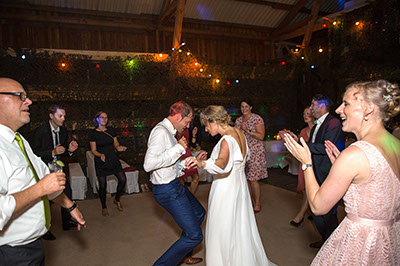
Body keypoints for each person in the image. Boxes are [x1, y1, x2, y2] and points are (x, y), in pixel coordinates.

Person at [284, 79, 400, 265]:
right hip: (388, 239)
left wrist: (306, 162)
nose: (338, 110)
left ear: (368, 109)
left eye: (346, 104)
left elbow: (318, 206)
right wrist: (344, 167)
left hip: (360, 244)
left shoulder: (355, 154)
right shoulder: (396, 145)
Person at [0, 78, 85, 265]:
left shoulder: (18, 140)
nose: (28, 101)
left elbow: (42, 175)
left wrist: (70, 205)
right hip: (11, 253)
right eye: (20, 96)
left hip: (32, 246)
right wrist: (41, 188)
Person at [186, 105, 275, 266]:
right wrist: (211, 158)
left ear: (214, 121)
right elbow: (238, 160)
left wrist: (202, 163)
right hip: (239, 187)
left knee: (221, 229)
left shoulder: (226, 139)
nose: (206, 130)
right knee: (238, 227)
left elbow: (221, 164)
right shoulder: (238, 132)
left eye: (206, 125)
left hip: (225, 189)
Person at [143, 101, 205, 265]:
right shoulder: (160, 132)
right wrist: (178, 149)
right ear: (178, 116)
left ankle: (184, 253)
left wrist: (188, 162)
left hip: (175, 184)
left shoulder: (170, 133)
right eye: (187, 121)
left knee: (199, 213)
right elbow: (149, 165)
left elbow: (169, 166)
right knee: (195, 235)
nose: (188, 125)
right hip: (167, 190)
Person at [303, 94, 346, 248]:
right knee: (316, 210)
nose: (311, 108)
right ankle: (327, 241)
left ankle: (332, 244)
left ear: (322, 106)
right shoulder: (316, 125)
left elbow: (324, 147)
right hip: (316, 171)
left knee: (328, 213)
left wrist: (301, 145)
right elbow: (313, 147)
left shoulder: (333, 123)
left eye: (313, 105)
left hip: (327, 171)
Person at [32, 105, 79, 240]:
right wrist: (52, 152)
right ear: (51, 116)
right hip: (44, 168)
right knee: (46, 199)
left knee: (67, 192)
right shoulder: (40, 131)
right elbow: (34, 153)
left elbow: (64, 152)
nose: (63, 119)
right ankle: (44, 228)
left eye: (64, 116)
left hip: (58, 168)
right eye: (60, 116)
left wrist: (70, 150)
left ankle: (67, 221)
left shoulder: (63, 131)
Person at [279, 107, 315, 227]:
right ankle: (310, 211)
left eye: (308, 113)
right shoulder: (303, 131)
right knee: (305, 189)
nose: (305, 115)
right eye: (304, 113)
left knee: (312, 189)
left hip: (315, 163)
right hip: (303, 163)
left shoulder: (318, 129)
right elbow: (300, 147)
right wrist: (293, 139)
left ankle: (300, 215)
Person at [89, 112, 127, 216]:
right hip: (101, 161)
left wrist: (118, 147)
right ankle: (104, 206)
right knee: (102, 186)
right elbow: (93, 150)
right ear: (97, 119)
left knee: (123, 180)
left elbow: (116, 143)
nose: (104, 119)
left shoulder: (111, 130)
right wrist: (100, 154)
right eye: (102, 117)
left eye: (106, 117)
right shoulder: (93, 133)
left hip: (113, 159)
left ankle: (117, 199)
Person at [235, 99, 267, 213]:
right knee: (245, 179)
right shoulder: (238, 120)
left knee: (253, 179)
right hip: (243, 152)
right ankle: (248, 202)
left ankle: (257, 203)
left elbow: (261, 136)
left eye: (246, 106)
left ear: (251, 107)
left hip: (255, 151)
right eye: (242, 107)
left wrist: (247, 130)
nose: (244, 109)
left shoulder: (257, 119)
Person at [176, 127, 200, 194]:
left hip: (188, 155)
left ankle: (192, 195)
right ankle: (184, 196)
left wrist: (194, 135)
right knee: (181, 180)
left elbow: (193, 144)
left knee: (196, 177)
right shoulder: (174, 130)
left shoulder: (187, 130)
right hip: (179, 155)